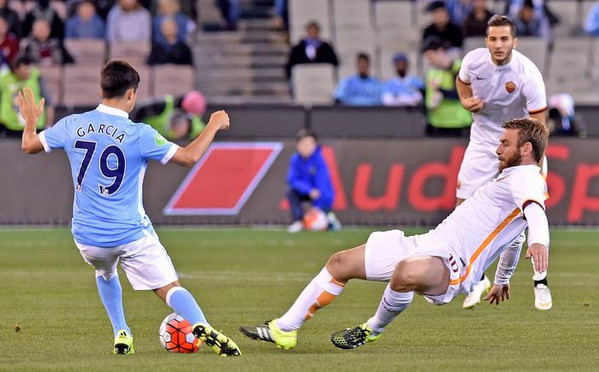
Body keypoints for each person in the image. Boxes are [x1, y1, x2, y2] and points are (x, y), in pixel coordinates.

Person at [241, 117, 550, 351]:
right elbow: (517, 234)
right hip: (429, 242)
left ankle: (373, 328)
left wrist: (540, 240)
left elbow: (535, 212)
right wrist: (502, 278)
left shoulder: (526, 178)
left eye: (505, 144)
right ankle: (285, 328)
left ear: (525, 149)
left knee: (404, 273)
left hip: (454, 264)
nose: (497, 149)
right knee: (339, 263)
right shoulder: (510, 178)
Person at [18, 60, 241, 356]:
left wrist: (31, 120)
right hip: (129, 233)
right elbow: (189, 157)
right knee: (169, 287)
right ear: (131, 95)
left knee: (105, 272)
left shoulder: (72, 124)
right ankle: (201, 324)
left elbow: (29, 144)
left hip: (87, 238)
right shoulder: (140, 134)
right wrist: (213, 124)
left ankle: (121, 332)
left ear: (101, 90)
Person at [456, 15, 552, 310]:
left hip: (518, 146)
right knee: (461, 210)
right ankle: (477, 278)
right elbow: (462, 83)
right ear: (486, 41)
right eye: (493, 39)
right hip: (483, 142)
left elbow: (539, 126)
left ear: (515, 42)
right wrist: (465, 101)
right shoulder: (473, 61)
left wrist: (532, 162)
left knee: (525, 216)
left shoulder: (527, 74)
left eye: (504, 39)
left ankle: (539, 281)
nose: (498, 45)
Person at [286, 129, 339, 233]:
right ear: (298, 145)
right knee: (291, 192)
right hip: (306, 191)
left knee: (319, 222)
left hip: (320, 195)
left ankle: (329, 219)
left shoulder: (319, 160)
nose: (306, 147)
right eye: (303, 144)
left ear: (315, 145)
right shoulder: (295, 159)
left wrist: (317, 207)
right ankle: (298, 221)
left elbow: (323, 185)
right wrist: (309, 190)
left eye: (309, 144)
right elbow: (292, 179)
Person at [422, 37, 471, 136]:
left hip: (459, 123)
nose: (430, 61)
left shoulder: (459, 68)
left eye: (431, 57)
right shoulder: (432, 73)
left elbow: (461, 94)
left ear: (440, 52)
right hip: (438, 124)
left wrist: (440, 90)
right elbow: (429, 98)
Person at [0, 56, 54, 137]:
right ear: (16, 69)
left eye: (29, 69)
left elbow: (49, 102)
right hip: (8, 127)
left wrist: (48, 126)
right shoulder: (4, 78)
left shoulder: (36, 76)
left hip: (35, 127)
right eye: (24, 70)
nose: (28, 72)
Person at [131, 90, 207, 140]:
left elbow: (202, 133)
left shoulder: (193, 119)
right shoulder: (163, 104)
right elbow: (138, 110)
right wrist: (135, 134)